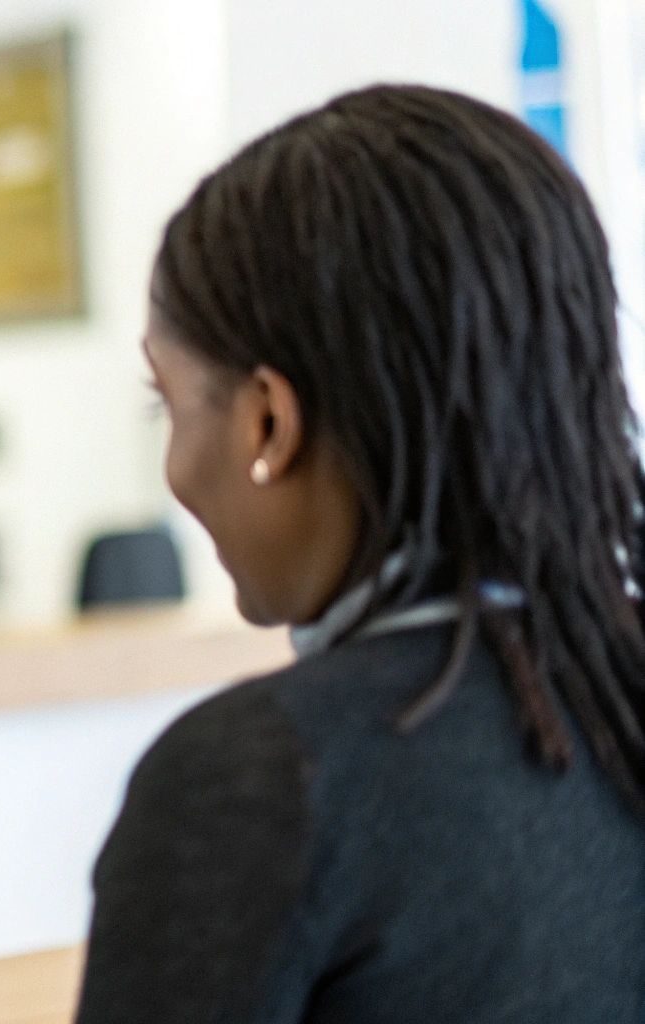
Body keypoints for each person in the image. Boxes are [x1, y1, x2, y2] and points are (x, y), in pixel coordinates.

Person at [77, 84, 645, 1022]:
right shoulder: (614, 695)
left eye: (167, 404)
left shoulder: (265, 776)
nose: (174, 467)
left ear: (268, 421)